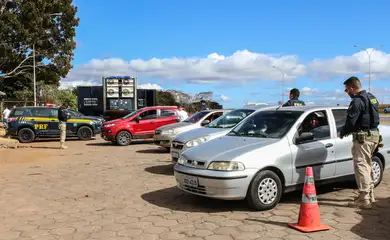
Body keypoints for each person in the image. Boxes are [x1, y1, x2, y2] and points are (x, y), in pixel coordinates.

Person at [339, 76, 381, 209]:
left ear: (351, 88)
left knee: (361, 166)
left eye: (346, 90)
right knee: (367, 165)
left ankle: (364, 199)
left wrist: (342, 132)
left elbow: (351, 121)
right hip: (374, 135)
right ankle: (370, 195)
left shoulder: (357, 101)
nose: (347, 93)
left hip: (363, 138)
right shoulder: (371, 97)